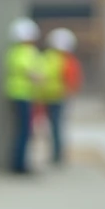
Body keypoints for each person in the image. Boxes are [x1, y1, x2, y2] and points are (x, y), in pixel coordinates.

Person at [4, 17, 42, 174]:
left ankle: (19, 163)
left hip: (18, 95)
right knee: (25, 131)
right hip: (23, 95)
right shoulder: (24, 52)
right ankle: (19, 165)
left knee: (23, 131)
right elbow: (29, 71)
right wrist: (39, 78)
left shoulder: (14, 51)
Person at [37, 27, 79, 166]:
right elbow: (72, 81)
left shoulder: (47, 57)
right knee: (57, 127)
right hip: (58, 97)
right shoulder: (67, 60)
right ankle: (57, 154)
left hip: (49, 97)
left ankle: (56, 154)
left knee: (52, 127)